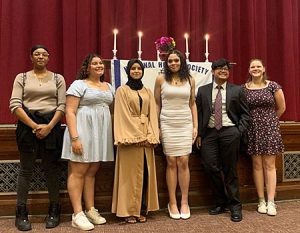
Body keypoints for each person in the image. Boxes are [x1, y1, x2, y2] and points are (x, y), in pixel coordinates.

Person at [9, 45, 66, 231]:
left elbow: (62, 105)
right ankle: (21, 212)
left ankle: (54, 210)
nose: (40, 57)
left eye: (44, 54)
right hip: (27, 126)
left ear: (48, 58)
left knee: (52, 169)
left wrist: (49, 127)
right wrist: (35, 126)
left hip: (52, 125)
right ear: (31, 57)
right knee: (26, 170)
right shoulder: (22, 77)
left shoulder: (58, 78)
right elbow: (15, 104)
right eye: (37, 54)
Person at [61, 54, 114, 231]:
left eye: (100, 63)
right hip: (82, 130)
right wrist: (75, 137)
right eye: (95, 63)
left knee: (92, 171)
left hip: (100, 133)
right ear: (87, 67)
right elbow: (69, 111)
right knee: (78, 171)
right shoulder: (79, 84)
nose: (99, 65)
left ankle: (90, 209)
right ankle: (77, 214)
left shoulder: (109, 86)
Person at [196, 58, 250, 222]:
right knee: (210, 166)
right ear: (212, 72)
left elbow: (246, 114)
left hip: (230, 132)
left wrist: (238, 131)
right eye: (219, 69)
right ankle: (221, 201)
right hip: (209, 134)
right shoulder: (203, 90)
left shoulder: (238, 90)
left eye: (226, 69)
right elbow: (198, 113)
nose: (223, 71)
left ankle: (235, 206)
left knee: (230, 170)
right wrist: (199, 134)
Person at [112, 59, 160, 224]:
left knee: (145, 174)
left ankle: (141, 208)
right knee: (129, 176)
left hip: (146, 139)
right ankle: (128, 210)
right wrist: (136, 136)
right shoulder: (122, 91)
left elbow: (152, 114)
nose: (136, 71)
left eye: (139, 68)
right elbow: (122, 114)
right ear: (128, 71)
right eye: (133, 68)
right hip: (130, 140)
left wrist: (152, 135)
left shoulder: (147, 91)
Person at [154, 50, 197, 220]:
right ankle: (172, 202)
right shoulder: (160, 79)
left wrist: (195, 127)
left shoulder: (190, 79)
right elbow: (157, 103)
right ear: (166, 62)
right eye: (170, 60)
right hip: (167, 123)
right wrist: (156, 126)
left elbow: (192, 104)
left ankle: (184, 202)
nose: (173, 63)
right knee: (171, 161)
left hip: (185, 123)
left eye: (176, 60)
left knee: (184, 161)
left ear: (181, 62)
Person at [243, 59, 285, 216]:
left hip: (270, 129)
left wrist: (270, 121)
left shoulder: (273, 86)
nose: (255, 69)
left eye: (258, 66)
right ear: (249, 70)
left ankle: (271, 201)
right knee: (256, 165)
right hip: (252, 129)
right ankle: (261, 200)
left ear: (264, 68)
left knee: (269, 165)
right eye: (252, 66)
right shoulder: (244, 89)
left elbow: (281, 108)